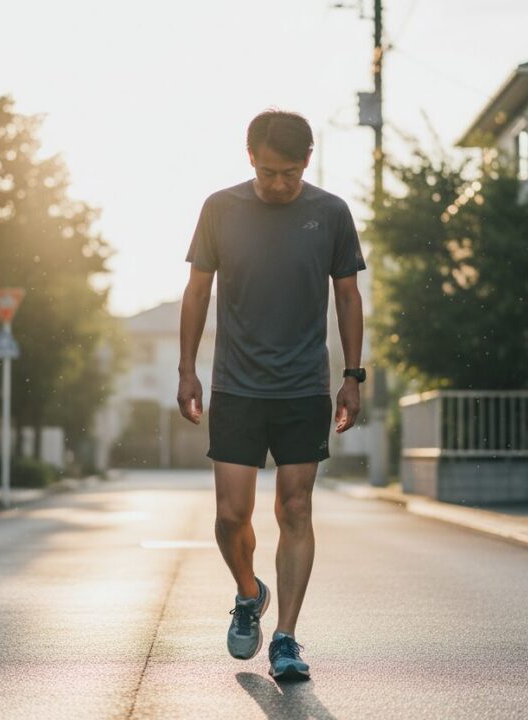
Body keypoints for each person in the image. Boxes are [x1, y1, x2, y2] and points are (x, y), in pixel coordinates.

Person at [177, 110, 366, 681]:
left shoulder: (330, 213)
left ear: (307, 160)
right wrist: (187, 370)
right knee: (230, 516)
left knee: (295, 507)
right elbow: (197, 291)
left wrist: (352, 376)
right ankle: (247, 592)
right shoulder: (220, 208)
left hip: (303, 387)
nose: (279, 183)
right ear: (249, 158)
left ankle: (285, 637)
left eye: (289, 173)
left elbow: (348, 296)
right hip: (236, 385)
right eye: (267, 172)